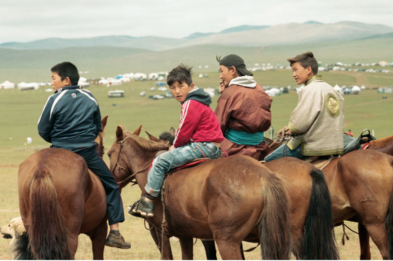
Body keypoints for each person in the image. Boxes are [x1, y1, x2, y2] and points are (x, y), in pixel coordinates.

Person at [37, 62, 130, 249]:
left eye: (53, 78)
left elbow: (42, 129)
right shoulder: (90, 97)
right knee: (111, 185)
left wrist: (58, 140)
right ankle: (115, 232)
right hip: (86, 153)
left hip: (59, 151)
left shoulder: (53, 99)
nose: (51, 83)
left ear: (66, 80)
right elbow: (97, 127)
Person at [132, 64, 224, 218]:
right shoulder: (198, 101)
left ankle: (147, 201)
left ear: (191, 86)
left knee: (160, 162)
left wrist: (175, 146)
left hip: (202, 146)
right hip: (212, 146)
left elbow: (183, 131)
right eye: (173, 88)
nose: (177, 91)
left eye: (181, 86)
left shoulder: (190, 103)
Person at [264, 52, 344, 162]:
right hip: (335, 146)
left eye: (296, 70)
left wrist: (290, 129)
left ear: (308, 69)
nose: (293, 74)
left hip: (313, 146)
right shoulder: (331, 89)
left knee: (268, 161)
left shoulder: (309, 89)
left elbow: (299, 125)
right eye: (292, 71)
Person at [214, 54, 272, 160]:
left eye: (222, 71)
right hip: (260, 147)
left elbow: (217, 126)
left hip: (235, 149)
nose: (220, 76)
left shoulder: (230, 93)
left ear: (232, 70)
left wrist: (224, 96)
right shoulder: (258, 88)